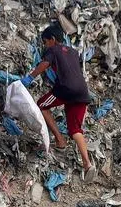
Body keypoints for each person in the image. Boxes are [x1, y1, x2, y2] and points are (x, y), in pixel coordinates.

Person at [27, 23, 96, 181]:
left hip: (66, 89)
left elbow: (45, 64)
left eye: (45, 42)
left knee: (42, 105)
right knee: (76, 130)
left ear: (52, 39)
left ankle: (60, 140)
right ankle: (88, 165)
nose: (45, 45)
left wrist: (30, 77)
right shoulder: (72, 51)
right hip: (82, 92)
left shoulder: (53, 49)